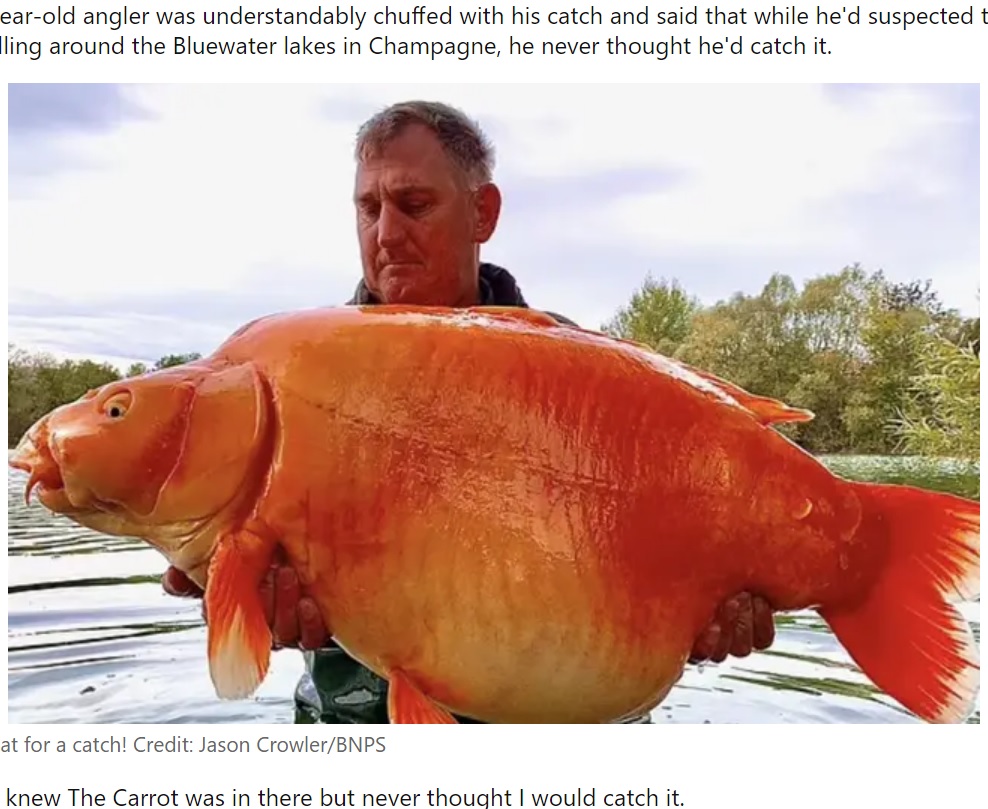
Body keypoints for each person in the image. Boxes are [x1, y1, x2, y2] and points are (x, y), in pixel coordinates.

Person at [163, 100, 777, 723]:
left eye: (415, 204)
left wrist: (703, 617)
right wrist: (232, 595)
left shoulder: (594, 384)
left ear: (483, 212)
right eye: (368, 208)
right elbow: (231, 568)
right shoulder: (286, 380)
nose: (386, 234)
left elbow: (669, 569)